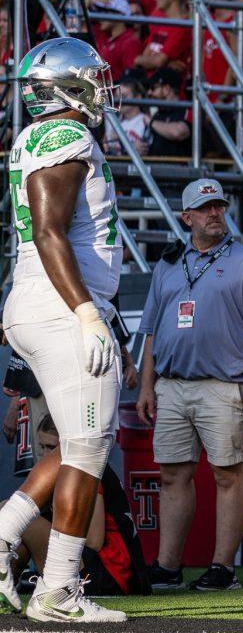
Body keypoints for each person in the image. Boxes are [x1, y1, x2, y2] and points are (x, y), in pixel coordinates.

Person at [0, 38, 125, 623]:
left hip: (36, 300)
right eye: (95, 79)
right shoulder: (66, 135)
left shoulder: (33, 137)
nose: (104, 88)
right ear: (68, 86)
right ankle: (57, 589)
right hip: (61, 304)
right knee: (87, 448)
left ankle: (5, 534)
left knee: (78, 444)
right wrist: (86, 311)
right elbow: (50, 230)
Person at [135, 178, 243, 592]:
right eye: (205, 208)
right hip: (173, 384)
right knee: (172, 475)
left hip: (225, 383)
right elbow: (152, 330)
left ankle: (223, 568)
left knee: (227, 474)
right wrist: (148, 386)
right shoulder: (166, 264)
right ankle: (168, 565)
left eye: (219, 205)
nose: (215, 213)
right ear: (187, 217)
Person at [6, 416, 151, 597]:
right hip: (100, 572)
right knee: (20, 530)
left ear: (68, 444)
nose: (45, 455)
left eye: (52, 447)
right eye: (41, 447)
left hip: (109, 578)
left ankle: (8, 583)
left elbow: (94, 540)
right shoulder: (71, 468)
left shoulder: (84, 469)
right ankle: (10, 584)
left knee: (18, 516)